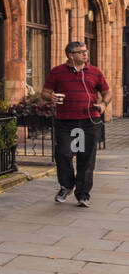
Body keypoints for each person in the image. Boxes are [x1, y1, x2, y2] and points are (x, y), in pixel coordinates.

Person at [41, 41, 110, 206]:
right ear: (71, 55)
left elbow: (107, 91)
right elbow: (45, 92)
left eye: (86, 51)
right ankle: (66, 185)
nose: (85, 54)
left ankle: (83, 194)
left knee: (86, 158)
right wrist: (51, 97)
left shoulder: (94, 72)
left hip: (89, 121)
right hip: (65, 122)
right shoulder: (57, 72)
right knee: (64, 154)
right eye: (81, 52)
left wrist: (103, 104)